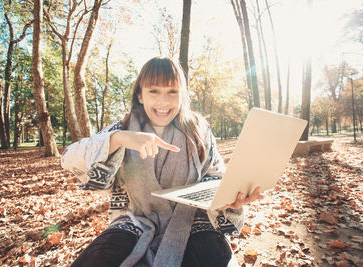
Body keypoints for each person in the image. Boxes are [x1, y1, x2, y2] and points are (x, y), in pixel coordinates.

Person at [61, 57, 263, 267]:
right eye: (154, 91)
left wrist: (230, 198)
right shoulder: (122, 128)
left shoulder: (199, 130)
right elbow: (68, 158)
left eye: (172, 92)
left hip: (194, 221)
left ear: (182, 95)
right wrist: (120, 139)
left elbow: (215, 175)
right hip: (134, 221)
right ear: (140, 95)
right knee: (95, 260)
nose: (163, 102)